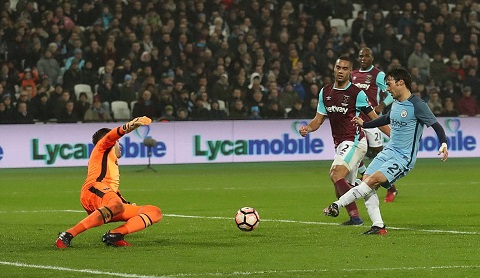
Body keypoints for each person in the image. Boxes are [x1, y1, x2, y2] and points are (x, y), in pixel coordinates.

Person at [323, 67, 449, 235]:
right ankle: (378, 226)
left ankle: (336, 205)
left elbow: (437, 126)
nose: (387, 89)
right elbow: (386, 119)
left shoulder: (417, 105)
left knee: (371, 181)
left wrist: (443, 144)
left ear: (401, 82)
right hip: (388, 152)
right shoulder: (397, 104)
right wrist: (364, 124)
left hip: (403, 158)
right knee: (367, 180)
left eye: (389, 85)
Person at [299, 56, 390, 226]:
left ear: (350, 72)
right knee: (343, 184)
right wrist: (308, 128)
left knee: (335, 174)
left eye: (345, 68)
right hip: (340, 143)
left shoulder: (357, 93)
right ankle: (356, 216)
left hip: (355, 140)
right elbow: (317, 120)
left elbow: (375, 118)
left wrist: (393, 135)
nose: (340, 71)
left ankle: (354, 205)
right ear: (334, 69)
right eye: (338, 67)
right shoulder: (325, 92)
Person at [56, 116, 162, 248]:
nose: (119, 144)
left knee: (154, 212)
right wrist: (129, 126)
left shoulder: (109, 161)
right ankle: (67, 235)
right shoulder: (102, 147)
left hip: (106, 197)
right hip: (93, 190)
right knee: (117, 205)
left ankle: (115, 234)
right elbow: (109, 137)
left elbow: (112, 191)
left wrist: (124, 202)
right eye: (117, 142)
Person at [352, 47, 398, 203]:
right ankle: (366, 179)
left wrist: (381, 105)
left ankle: (389, 185)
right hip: (357, 120)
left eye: (367, 56)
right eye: (361, 56)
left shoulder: (378, 75)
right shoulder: (354, 75)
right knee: (356, 153)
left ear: (372, 58)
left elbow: (393, 91)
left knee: (379, 154)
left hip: (373, 120)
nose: (363, 58)